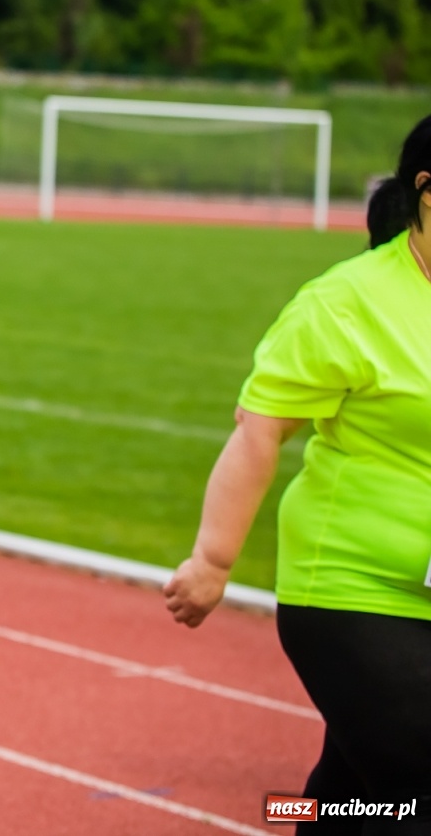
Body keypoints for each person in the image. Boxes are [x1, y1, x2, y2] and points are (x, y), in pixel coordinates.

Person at [165, 119, 431, 826]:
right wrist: (212, 561)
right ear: (427, 193)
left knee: (354, 801)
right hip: (357, 589)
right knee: (414, 793)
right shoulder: (346, 303)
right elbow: (260, 432)